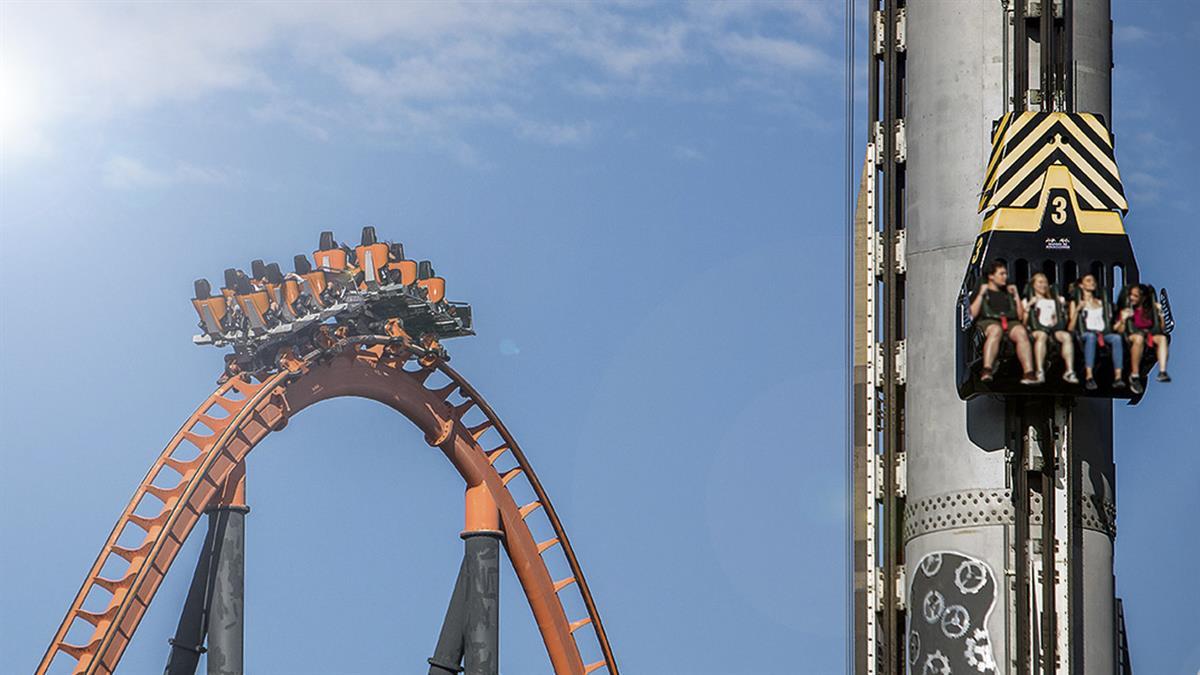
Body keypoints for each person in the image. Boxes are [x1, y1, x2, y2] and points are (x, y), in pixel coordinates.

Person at [969, 260, 1037, 385]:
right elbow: (972, 314)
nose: (1005, 277)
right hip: (989, 321)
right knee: (996, 330)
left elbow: (1020, 316)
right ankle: (987, 369)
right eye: (1001, 274)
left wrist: (1016, 295)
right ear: (991, 276)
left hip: (1009, 321)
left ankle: (1029, 371)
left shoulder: (1008, 292)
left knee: (1021, 332)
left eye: (1005, 274)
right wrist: (980, 294)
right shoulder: (983, 290)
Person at [1068, 274, 1124, 391]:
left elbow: (1111, 326)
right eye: (1088, 281)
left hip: (1102, 333)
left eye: (1093, 281)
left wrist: (1122, 319)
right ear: (1081, 285)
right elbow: (1071, 327)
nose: (1092, 283)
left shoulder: (1102, 303)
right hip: (1085, 333)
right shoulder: (1076, 303)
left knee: (1116, 338)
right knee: (1091, 337)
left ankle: (1118, 377)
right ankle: (1089, 376)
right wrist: (1078, 310)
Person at [1115, 284, 1171, 394]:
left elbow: (1161, 328)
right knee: (1138, 339)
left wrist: (1160, 313)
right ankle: (1135, 375)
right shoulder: (1127, 310)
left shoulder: (1150, 312)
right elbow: (1119, 329)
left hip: (1147, 335)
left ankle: (1159, 370)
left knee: (1163, 340)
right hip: (1131, 336)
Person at [1024, 272, 1077, 384]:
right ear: (1033, 284)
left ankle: (1069, 371)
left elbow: (1062, 319)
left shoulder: (1055, 300)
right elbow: (1023, 321)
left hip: (1053, 329)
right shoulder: (1030, 300)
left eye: (1045, 282)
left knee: (1066, 336)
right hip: (1036, 330)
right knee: (1042, 336)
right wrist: (1028, 307)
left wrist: (1062, 308)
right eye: (1040, 282)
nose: (1043, 285)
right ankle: (1039, 371)